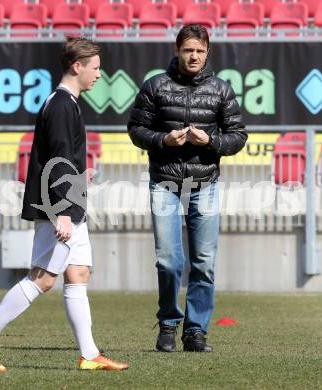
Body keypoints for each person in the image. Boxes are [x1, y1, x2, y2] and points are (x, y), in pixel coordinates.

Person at [0, 37, 129, 371]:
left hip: (72, 205)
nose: (100, 74)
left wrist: (81, 181)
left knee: (79, 273)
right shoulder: (59, 105)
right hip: (61, 210)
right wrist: (64, 212)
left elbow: (63, 159)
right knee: (43, 278)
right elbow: (57, 160)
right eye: (96, 68)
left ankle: (89, 354)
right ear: (77, 66)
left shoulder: (67, 103)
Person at [128, 24, 247, 353]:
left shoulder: (222, 90)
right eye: (187, 50)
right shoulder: (156, 86)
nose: (193, 56)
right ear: (177, 50)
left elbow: (238, 136)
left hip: (204, 183)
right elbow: (136, 129)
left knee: (204, 261)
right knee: (168, 260)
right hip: (164, 181)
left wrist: (211, 142)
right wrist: (162, 139)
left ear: (208, 50)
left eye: (199, 50)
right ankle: (168, 324)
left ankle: (196, 331)